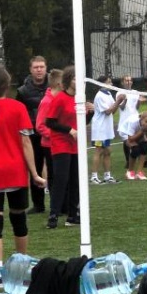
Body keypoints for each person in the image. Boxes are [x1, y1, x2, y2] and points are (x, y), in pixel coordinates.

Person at [0, 65, 45, 282]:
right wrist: (34, 173)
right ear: (7, 85)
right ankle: (22, 267)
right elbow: (26, 143)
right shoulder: (17, 108)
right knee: (19, 219)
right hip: (15, 171)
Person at [44, 65, 90, 229]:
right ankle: (54, 215)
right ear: (68, 80)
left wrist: (89, 113)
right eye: (75, 78)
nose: (79, 81)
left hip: (75, 145)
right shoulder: (60, 98)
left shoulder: (80, 98)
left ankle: (73, 215)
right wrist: (68, 130)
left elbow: (82, 124)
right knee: (61, 179)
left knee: (75, 180)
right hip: (61, 144)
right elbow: (49, 122)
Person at [17, 56, 50, 214]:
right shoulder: (23, 91)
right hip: (33, 135)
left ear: (46, 68)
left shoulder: (55, 86)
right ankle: (38, 205)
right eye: (36, 67)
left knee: (56, 168)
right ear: (30, 69)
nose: (39, 70)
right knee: (35, 168)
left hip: (52, 134)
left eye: (42, 67)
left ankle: (61, 203)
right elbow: (19, 112)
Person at [90, 74, 121, 184]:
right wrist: (118, 101)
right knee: (99, 151)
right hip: (100, 129)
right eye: (109, 82)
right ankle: (94, 176)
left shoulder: (108, 94)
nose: (111, 84)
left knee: (107, 151)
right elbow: (107, 111)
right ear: (102, 84)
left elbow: (113, 111)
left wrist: (121, 102)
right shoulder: (99, 96)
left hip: (106, 129)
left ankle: (107, 176)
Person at [116, 74, 142, 178]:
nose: (129, 82)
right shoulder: (119, 92)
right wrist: (125, 100)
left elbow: (137, 106)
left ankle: (142, 160)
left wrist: (139, 101)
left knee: (138, 139)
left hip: (134, 117)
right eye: (126, 80)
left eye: (130, 80)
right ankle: (128, 160)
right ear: (122, 82)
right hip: (125, 119)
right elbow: (121, 107)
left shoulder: (135, 92)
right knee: (126, 140)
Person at [125, 112, 147, 181]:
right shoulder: (133, 123)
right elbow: (130, 139)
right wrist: (142, 130)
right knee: (135, 149)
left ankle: (139, 172)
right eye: (146, 122)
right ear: (141, 119)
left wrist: (146, 132)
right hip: (127, 134)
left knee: (145, 146)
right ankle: (129, 172)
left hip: (139, 133)